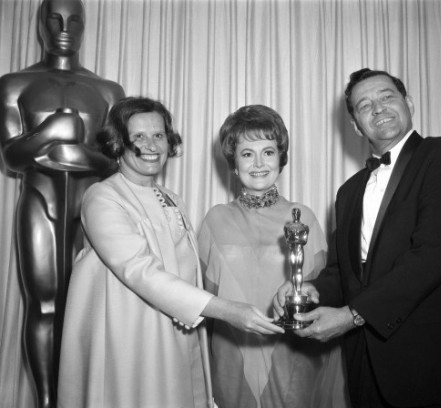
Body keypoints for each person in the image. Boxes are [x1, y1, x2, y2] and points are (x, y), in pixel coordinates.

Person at [274, 68, 441, 407]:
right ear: (355, 124)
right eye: (365, 105)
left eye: (387, 97)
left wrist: (351, 315)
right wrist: (310, 289)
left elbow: (434, 253)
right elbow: (343, 271)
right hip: (368, 370)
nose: (378, 109)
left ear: (408, 103)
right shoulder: (348, 192)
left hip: (439, 368)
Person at [57, 97, 283, 408]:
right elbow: (140, 271)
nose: (151, 145)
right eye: (138, 136)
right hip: (129, 338)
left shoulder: (171, 198)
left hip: (178, 332)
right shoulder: (103, 197)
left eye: (159, 135)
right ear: (117, 143)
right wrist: (228, 310)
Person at [0, 1, 125, 407]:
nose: (63, 27)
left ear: (85, 26)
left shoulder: (107, 91)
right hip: (40, 201)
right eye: (54, 18)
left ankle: (82, 397)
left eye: (73, 19)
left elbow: (112, 162)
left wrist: (63, 153)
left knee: (85, 308)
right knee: (45, 304)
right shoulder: (14, 84)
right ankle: (48, 402)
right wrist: (51, 131)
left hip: (91, 209)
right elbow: (12, 157)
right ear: (40, 24)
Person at [198, 105, 347, 408]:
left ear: (281, 158)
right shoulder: (215, 219)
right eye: (247, 153)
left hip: (296, 356)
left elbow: (324, 293)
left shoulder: (302, 216)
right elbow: (203, 301)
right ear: (233, 162)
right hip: (231, 356)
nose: (258, 163)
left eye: (268, 152)